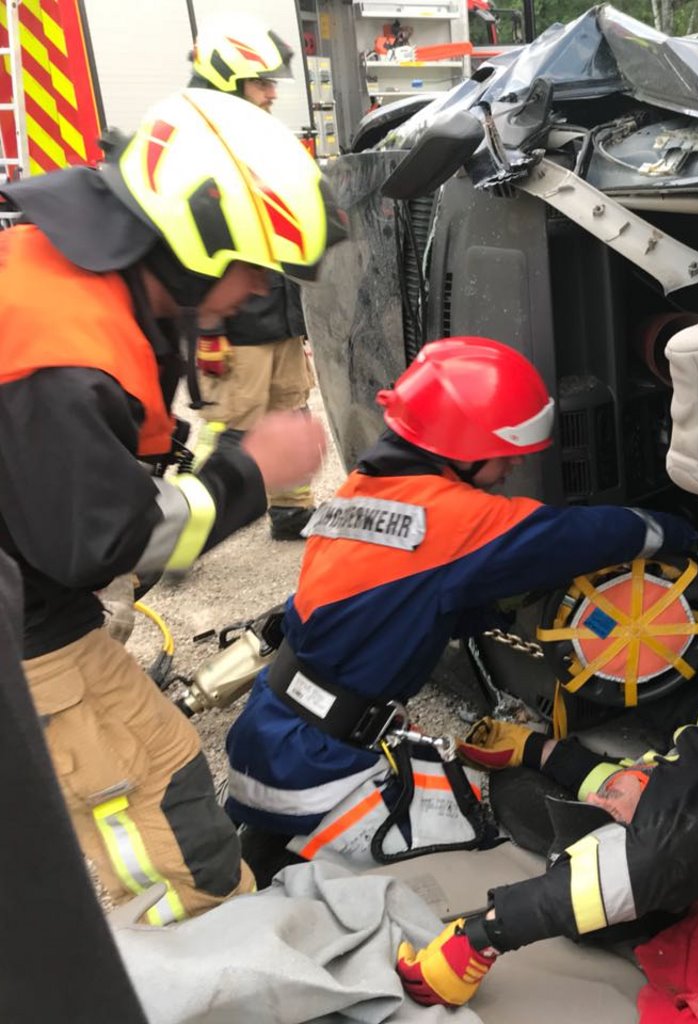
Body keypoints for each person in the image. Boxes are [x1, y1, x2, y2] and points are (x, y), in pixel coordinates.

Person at [0, 87, 346, 923]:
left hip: (32, 600)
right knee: (163, 813)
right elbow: (102, 540)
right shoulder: (62, 356)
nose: (256, 291)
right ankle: (202, 945)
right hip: (27, 630)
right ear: (192, 244)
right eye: (253, 267)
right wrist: (250, 473)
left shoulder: (60, 275)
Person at [223, 336, 698, 876]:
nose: (513, 467)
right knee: (482, 862)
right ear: (463, 449)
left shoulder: (364, 489)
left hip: (269, 734)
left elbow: (402, 602)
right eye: (506, 454)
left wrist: (489, 609)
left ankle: (267, 852)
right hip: (316, 771)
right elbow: (579, 535)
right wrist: (677, 529)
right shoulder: (452, 519)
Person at [396, 592, 698, 1007]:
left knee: (595, 639)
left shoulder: (678, 795)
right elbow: (645, 851)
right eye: (608, 809)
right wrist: (484, 937)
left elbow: (616, 792)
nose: (600, 799)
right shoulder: (695, 815)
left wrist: (533, 749)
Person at [188, 14, 319, 540]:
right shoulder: (199, 148)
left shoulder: (257, 140)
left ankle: (292, 510)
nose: (272, 93)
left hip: (278, 313)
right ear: (227, 81)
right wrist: (208, 327)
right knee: (232, 430)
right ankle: (183, 531)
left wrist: (297, 319)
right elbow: (191, 245)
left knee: (290, 416)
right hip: (235, 323)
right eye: (261, 82)